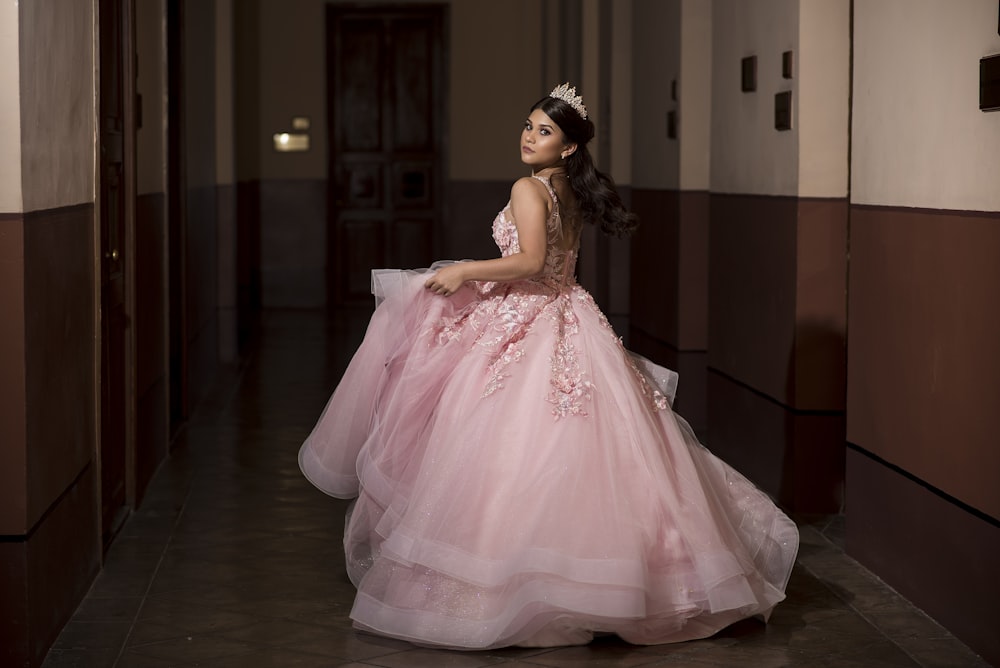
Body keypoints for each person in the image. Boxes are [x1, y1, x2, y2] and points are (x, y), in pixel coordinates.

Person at [299, 83, 799, 649]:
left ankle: (517, 586)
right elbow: (554, 264)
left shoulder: (530, 188)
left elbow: (532, 261)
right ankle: (614, 580)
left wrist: (467, 272)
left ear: (566, 148)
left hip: (535, 318)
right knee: (597, 447)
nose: (529, 137)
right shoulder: (570, 189)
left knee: (512, 446)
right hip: (571, 314)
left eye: (544, 131)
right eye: (528, 125)